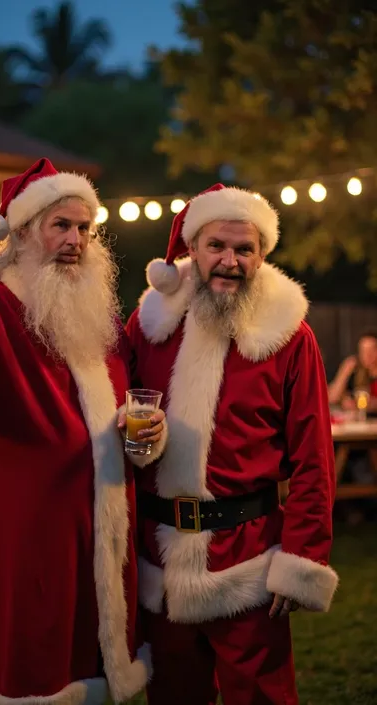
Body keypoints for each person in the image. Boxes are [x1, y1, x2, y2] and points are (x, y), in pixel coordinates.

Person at [0, 157, 166, 705]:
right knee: (23, 679)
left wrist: (145, 433)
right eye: (61, 226)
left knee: (89, 671)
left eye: (84, 229)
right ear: (22, 234)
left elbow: (125, 411)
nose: (76, 240)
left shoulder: (100, 321)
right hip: (20, 546)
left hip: (98, 537)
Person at [126, 183, 338, 705]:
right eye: (217, 246)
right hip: (161, 564)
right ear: (192, 249)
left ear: (262, 255)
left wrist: (302, 557)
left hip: (249, 564)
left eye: (245, 249)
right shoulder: (148, 326)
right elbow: (117, 415)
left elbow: (314, 457)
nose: (230, 261)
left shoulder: (289, 336)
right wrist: (130, 440)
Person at [328, 330, 377, 414]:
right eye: (363, 351)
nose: (367, 355)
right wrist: (344, 371)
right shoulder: (357, 372)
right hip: (361, 424)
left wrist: (370, 405)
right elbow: (332, 398)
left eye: (372, 350)